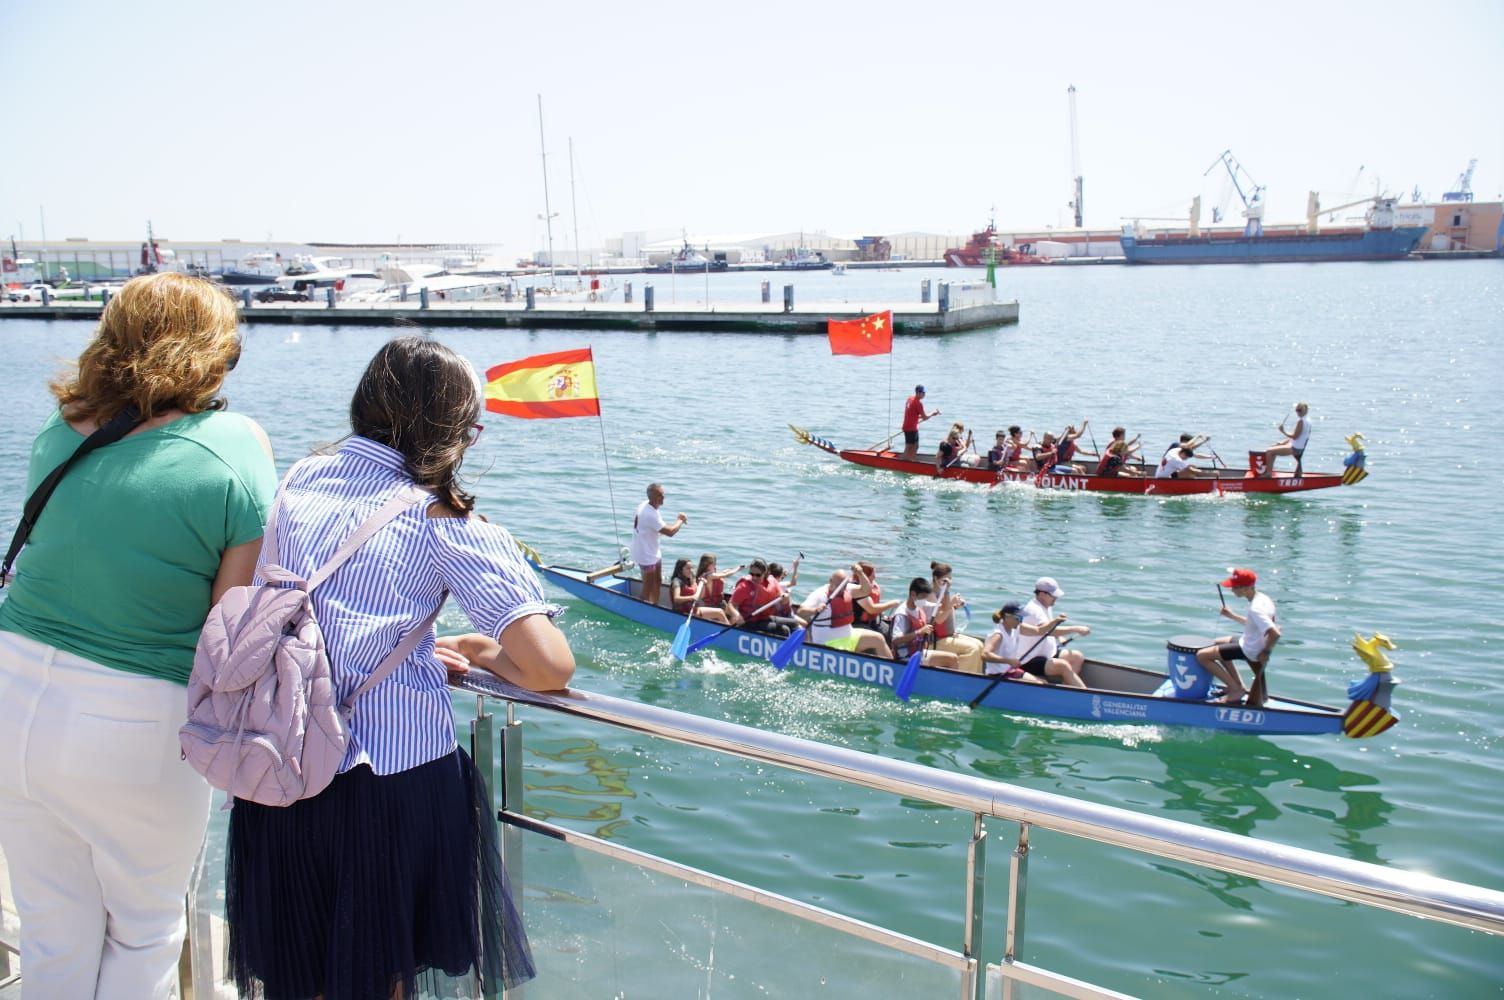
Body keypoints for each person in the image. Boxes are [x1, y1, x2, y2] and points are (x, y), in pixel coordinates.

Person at [224, 336, 575, 1000]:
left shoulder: (298, 480)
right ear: (450, 428)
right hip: (389, 782)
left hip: (281, 762)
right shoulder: (440, 516)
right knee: (379, 976)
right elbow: (550, 667)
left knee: (298, 973)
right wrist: (476, 651)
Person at [0, 273, 278, 997]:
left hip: (12, 690)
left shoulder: (59, 434)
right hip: (131, 720)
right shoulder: (234, 445)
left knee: (54, 931)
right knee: (145, 931)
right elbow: (233, 624)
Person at [1195, 568, 1280, 707]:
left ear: (1246, 588)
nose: (1232, 590)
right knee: (1215, 643)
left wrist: (1266, 652)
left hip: (1250, 649)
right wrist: (1232, 615)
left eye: (1234, 587)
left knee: (1202, 656)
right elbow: (1256, 624)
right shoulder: (1263, 598)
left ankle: (1235, 690)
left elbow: (1275, 633)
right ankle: (1238, 686)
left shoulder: (1255, 608)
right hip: (1249, 640)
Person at [796, 564, 892, 656]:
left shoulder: (847, 588)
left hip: (849, 635)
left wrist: (860, 574)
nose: (841, 589)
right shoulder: (819, 595)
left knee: (879, 639)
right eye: (838, 585)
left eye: (844, 585)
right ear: (830, 581)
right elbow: (800, 612)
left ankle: (895, 670)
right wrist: (814, 610)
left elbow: (866, 590)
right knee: (845, 653)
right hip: (828, 642)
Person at [1020, 577, 1090, 682]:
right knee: (1063, 665)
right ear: (1042, 594)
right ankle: (1081, 693)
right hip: (1030, 659)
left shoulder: (1046, 606)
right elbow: (1048, 630)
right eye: (1053, 595)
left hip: (1046, 653)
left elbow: (1050, 626)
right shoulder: (1035, 609)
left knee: (1076, 657)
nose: (1056, 598)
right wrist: (1076, 629)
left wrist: (1059, 637)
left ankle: (1066, 689)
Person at [630, 482, 687, 606]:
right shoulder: (650, 514)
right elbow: (670, 532)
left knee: (658, 581)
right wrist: (680, 520)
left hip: (653, 550)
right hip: (645, 554)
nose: (663, 498)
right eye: (659, 496)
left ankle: (654, 604)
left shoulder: (647, 505)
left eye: (663, 495)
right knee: (648, 587)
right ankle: (644, 609)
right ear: (651, 497)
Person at [889, 578, 959, 668]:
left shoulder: (921, 605)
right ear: (913, 594)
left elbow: (944, 607)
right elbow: (895, 640)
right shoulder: (901, 614)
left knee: (953, 659)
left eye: (926, 597)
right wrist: (919, 632)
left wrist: (946, 590)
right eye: (922, 597)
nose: (924, 600)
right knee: (950, 659)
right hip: (905, 657)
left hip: (919, 652)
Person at [928, 561, 984, 672]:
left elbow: (946, 612)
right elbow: (939, 620)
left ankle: (977, 677)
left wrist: (954, 606)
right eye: (945, 579)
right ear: (935, 578)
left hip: (948, 636)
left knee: (980, 645)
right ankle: (962, 678)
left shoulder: (944, 593)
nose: (949, 582)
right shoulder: (931, 595)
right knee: (972, 649)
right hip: (936, 641)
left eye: (950, 579)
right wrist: (951, 603)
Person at [980, 603, 1056, 684]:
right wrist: (1009, 661)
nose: (1020, 621)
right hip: (997, 674)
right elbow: (985, 655)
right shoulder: (998, 635)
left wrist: (1056, 621)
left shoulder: (1016, 628)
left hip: (1010, 671)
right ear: (1007, 616)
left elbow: (1039, 631)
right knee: (1039, 684)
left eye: (1022, 618)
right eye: (1018, 618)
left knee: (1043, 682)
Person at [732, 559, 789, 636]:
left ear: (765, 573)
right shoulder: (744, 586)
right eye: (751, 574)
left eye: (758, 575)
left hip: (764, 618)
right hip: (748, 621)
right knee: (784, 630)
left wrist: (785, 597)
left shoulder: (772, 581)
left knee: (794, 624)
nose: (754, 578)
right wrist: (736, 614)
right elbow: (730, 605)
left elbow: (783, 600)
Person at [671, 557, 731, 625]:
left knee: (720, 612)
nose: (691, 570)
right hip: (682, 612)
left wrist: (703, 584)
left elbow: (700, 596)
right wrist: (692, 597)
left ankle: (731, 632)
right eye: (688, 568)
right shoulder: (677, 581)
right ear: (680, 569)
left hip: (693, 610)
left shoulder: (691, 578)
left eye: (691, 568)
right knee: (719, 613)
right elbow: (676, 598)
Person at [852, 560, 901, 636]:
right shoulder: (856, 589)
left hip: (874, 621)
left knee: (894, 632)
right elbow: (872, 609)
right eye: (872, 574)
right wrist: (892, 604)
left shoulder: (872, 584)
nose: (875, 576)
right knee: (883, 637)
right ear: (865, 576)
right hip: (860, 624)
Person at [696, 552, 744, 626]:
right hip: (711, 605)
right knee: (734, 616)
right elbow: (725, 575)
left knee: (737, 615)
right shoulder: (708, 576)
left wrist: (729, 570)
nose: (715, 565)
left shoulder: (713, 574)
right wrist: (738, 568)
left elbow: (722, 573)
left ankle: (730, 627)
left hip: (720, 603)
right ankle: (728, 630)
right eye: (714, 564)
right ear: (707, 565)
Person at [1263, 402, 1311, 477]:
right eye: (1296, 410)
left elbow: (1295, 436)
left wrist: (1283, 431)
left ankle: (1268, 473)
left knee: (1269, 451)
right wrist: (1282, 442)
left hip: (1295, 448)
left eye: (1299, 410)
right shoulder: (1308, 421)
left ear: (1305, 411)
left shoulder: (1301, 421)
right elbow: (1300, 436)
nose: (1297, 412)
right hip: (1298, 447)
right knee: (1274, 447)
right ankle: (1270, 471)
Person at [900, 384, 939, 460]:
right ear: (918, 393)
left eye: (924, 393)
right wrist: (932, 413)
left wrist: (931, 414)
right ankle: (903, 462)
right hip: (910, 428)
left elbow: (914, 414)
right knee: (909, 446)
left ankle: (911, 459)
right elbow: (925, 418)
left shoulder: (910, 398)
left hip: (908, 426)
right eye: (922, 393)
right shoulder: (918, 403)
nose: (924, 394)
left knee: (916, 445)